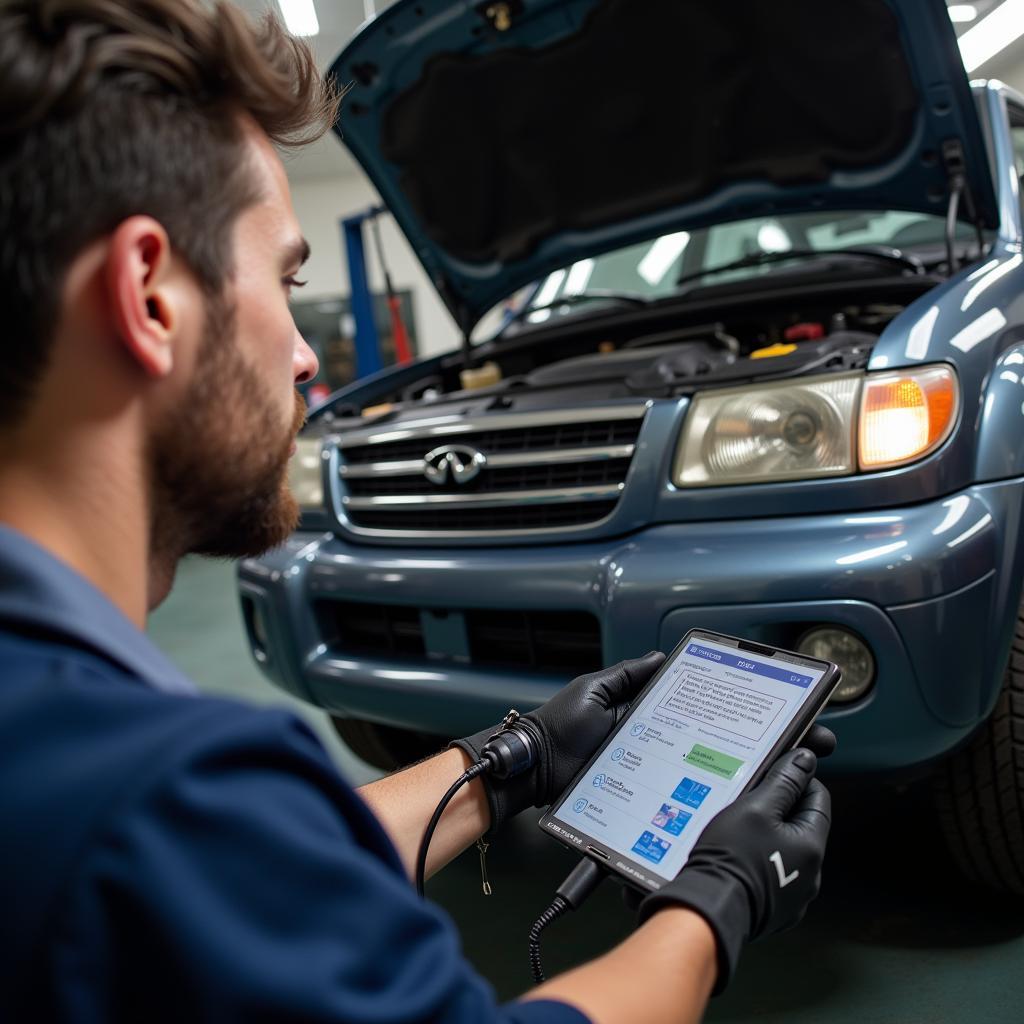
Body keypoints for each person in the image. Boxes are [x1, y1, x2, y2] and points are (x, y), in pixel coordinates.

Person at [0, 1, 834, 1021]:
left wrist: (511, 758)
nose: (308, 357)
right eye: (283, 275)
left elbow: (261, 876)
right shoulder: (152, 800)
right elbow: (207, 846)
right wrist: (715, 903)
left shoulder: (87, 763)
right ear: (151, 295)